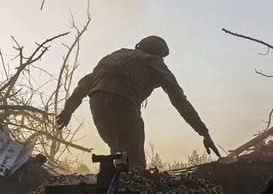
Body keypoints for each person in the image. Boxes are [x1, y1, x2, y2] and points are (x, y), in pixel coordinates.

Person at [56, 36, 219, 171]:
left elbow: (85, 84)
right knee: (135, 163)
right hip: (123, 104)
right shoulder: (153, 61)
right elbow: (179, 99)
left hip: (97, 104)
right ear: (159, 54)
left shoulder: (115, 56)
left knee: (118, 153)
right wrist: (203, 132)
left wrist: (68, 110)